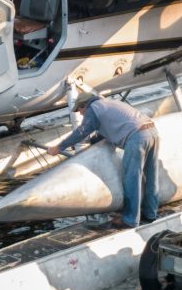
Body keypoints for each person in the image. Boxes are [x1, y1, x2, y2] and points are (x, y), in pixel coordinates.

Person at [55, 83, 161, 227]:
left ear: (85, 105)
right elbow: (107, 129)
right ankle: (150, 214)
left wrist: (59, 147)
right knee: (151, 176)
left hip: (136, 138)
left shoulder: (93, 109)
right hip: (152, 131)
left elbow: (82, 131)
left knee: (131, 178)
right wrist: (92, 142)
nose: (80, 113)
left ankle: (130, 220)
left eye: (80, 109)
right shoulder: (107, 103)